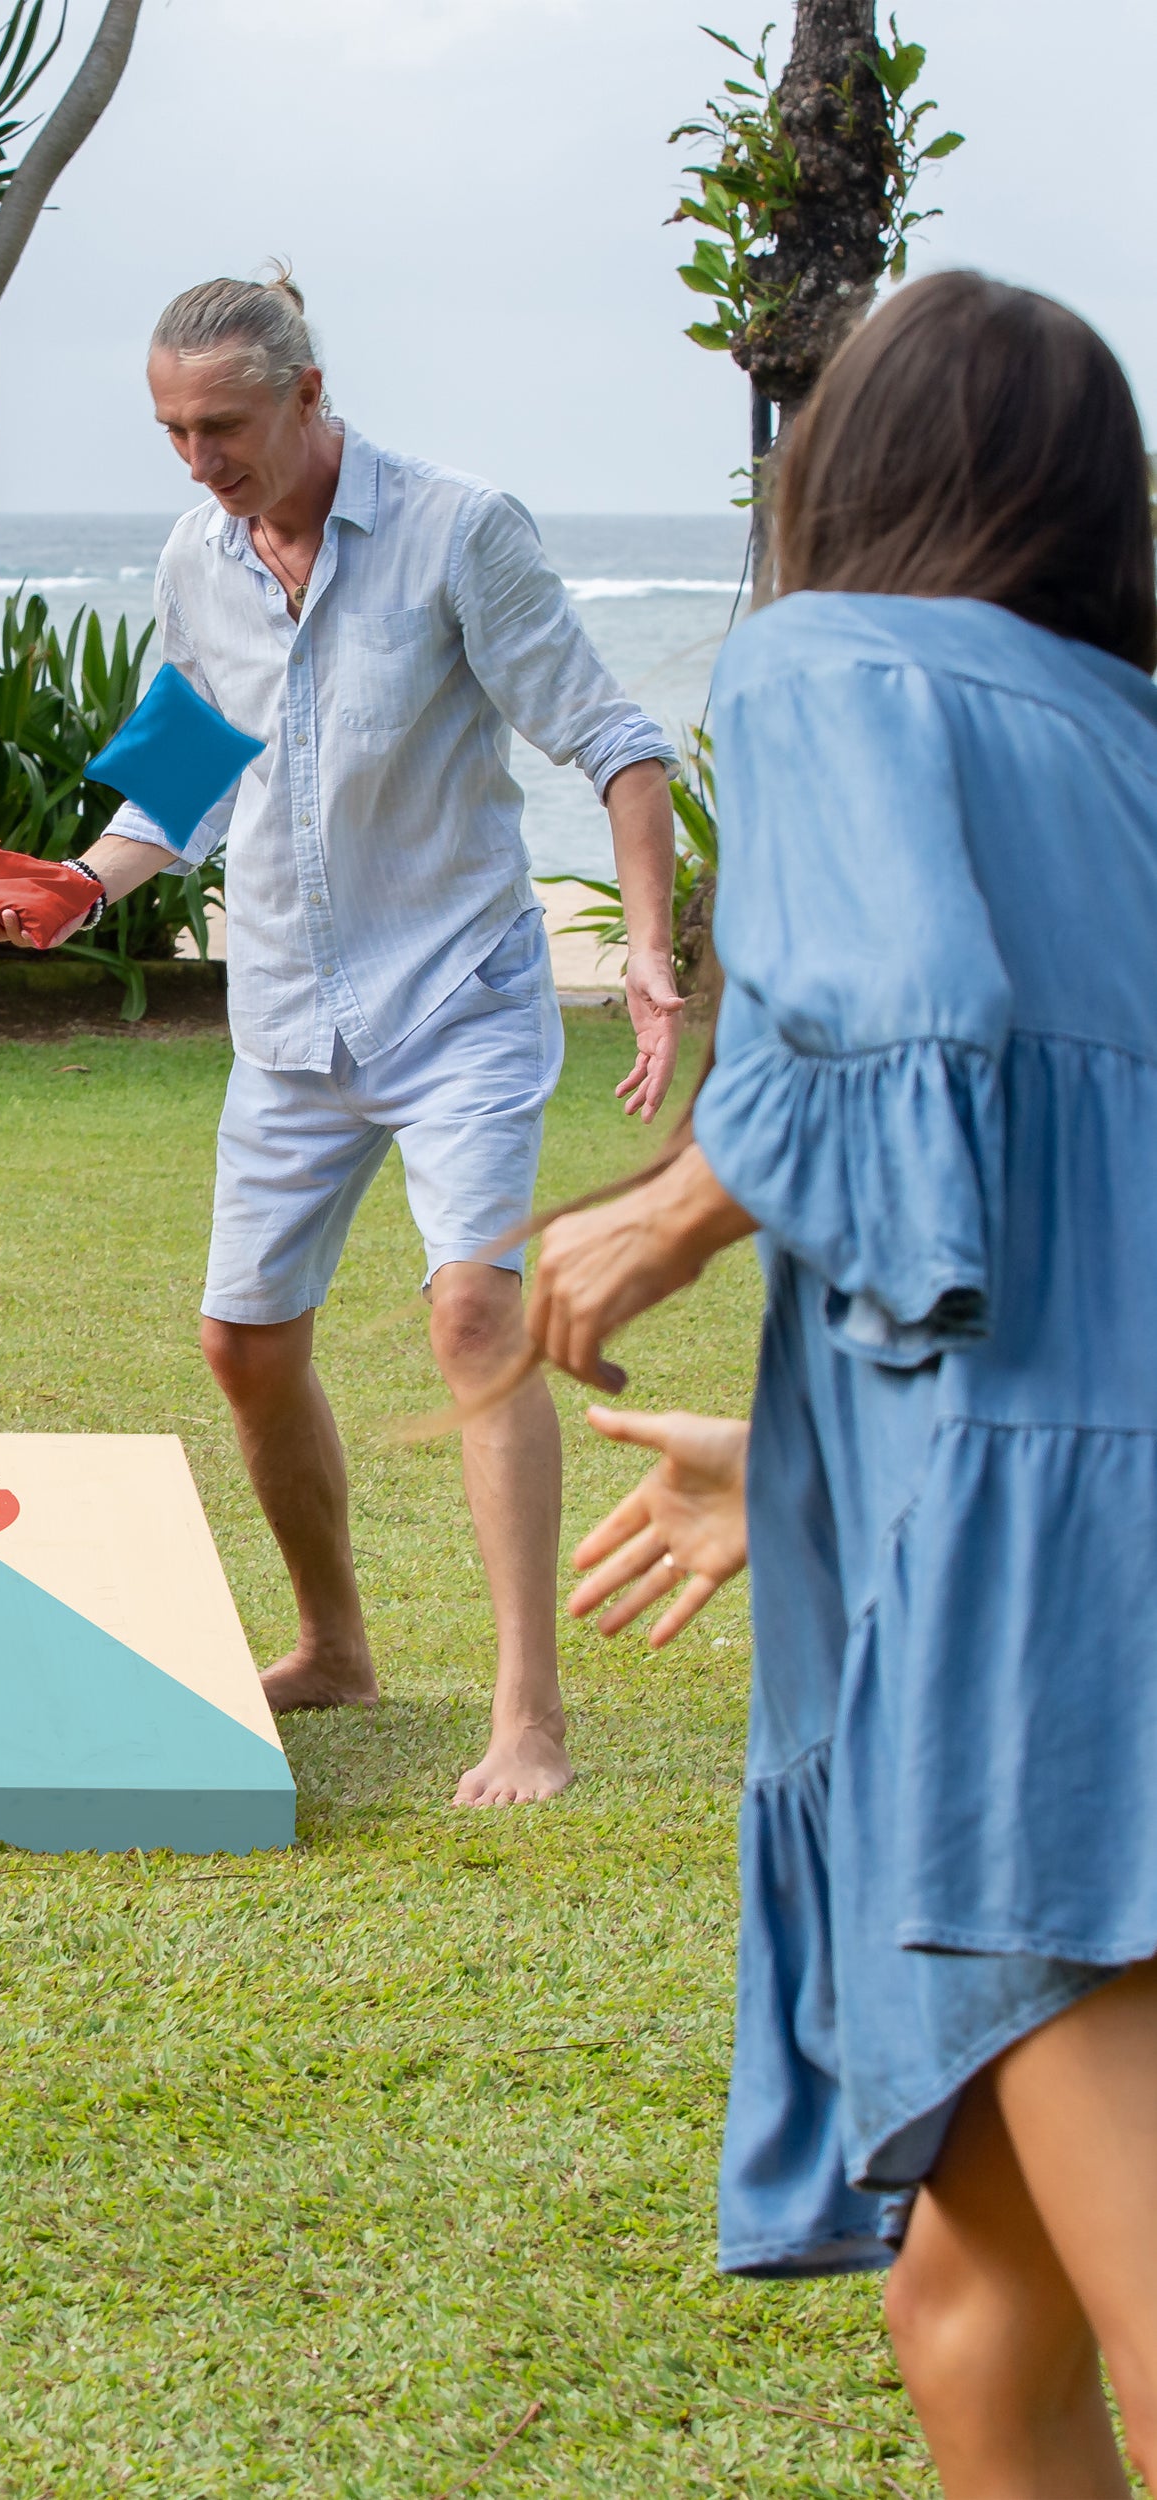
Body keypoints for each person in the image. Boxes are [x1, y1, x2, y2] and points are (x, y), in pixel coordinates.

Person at [527, 272, 1157, 2491]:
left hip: (1052, 1614)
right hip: (1040, 1514)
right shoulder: (1123, 737)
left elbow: (907, 1036)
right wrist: (794, 1450)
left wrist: (671, 1210)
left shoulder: (827, 662)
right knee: (971, 2306)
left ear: (843, 475)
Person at [0, 269, 683, 1804]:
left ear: (305, 392)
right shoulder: (194, 556)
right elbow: (183, 773)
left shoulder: (460, 530)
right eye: (170, 430)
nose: (198, 458)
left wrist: (656, 958)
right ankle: (338, 1644)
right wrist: (86, 883)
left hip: (458, 1000)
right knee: (242, 1345)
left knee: (474, 1321)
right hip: (288, 1011)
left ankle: (528, 1711)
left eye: (221, 424)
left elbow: (618, 746)